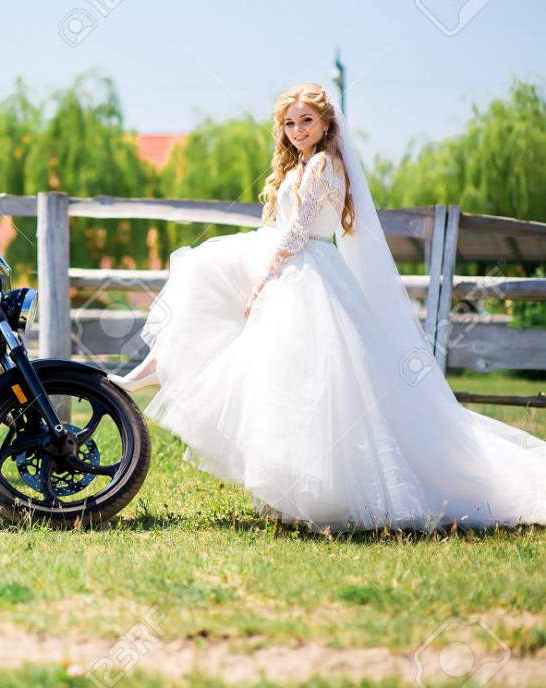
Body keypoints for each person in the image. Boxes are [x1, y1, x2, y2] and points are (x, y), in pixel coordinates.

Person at [110, 82, 545, 531]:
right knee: (220, 295)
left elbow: (300, 230)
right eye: (290, 123)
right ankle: (159, 367)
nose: (297, 130)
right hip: (300, 263)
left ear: (326, 123)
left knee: (304, 382)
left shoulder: (322, 164)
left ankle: (165, 374)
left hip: (305, 269)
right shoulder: (304, 163)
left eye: (306, 121)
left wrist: (263, 282)